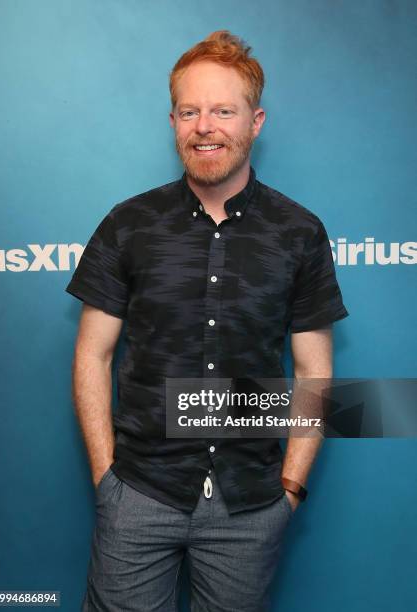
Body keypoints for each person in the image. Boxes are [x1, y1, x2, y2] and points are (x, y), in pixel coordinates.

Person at [65, 30, 349, 612]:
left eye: (223, 110)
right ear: (173, 120)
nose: (205, 126)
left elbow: (314, 371)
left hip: (252, 504)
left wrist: (289, 489)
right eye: (190, 111)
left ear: (256, 121)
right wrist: (107, 480)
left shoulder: (299, 232)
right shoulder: (128, 224)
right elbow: (92, 355)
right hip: (140, 495)